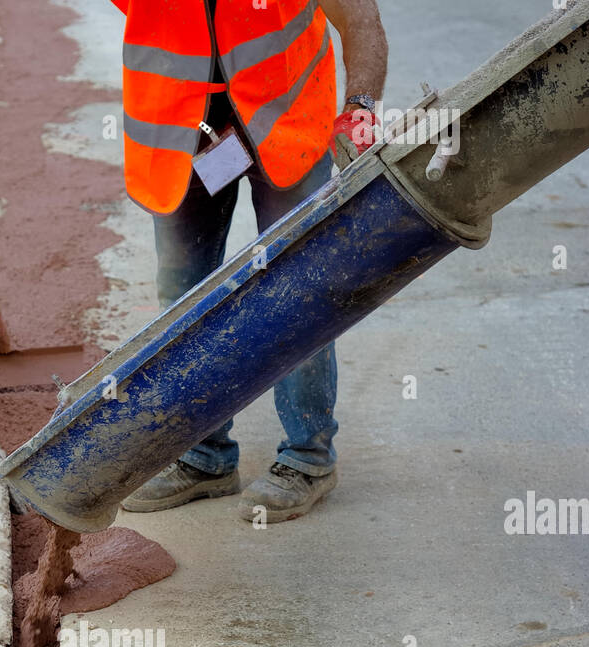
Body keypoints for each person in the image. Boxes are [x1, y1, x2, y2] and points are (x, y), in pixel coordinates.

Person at [112, 0, 388, 522]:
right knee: (183, 293)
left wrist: (360, 106)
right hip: (180, 128)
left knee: (300, 288)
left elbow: (359, 17)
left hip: (287, 119)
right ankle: (204, 456)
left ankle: (308, 457)